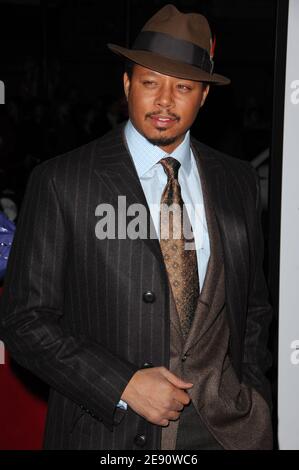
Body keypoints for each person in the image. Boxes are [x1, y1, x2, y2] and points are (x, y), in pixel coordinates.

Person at [0, 4, 273, 450]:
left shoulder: (236, 179)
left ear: (203, 95)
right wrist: (122, 384)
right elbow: (24, 321)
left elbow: (252, 310)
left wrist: (252, 394)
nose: (164, 101)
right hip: (111, 434)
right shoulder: (63, 181)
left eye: (183, 87)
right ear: (126, 84)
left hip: (230, 431)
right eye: (150, 83)